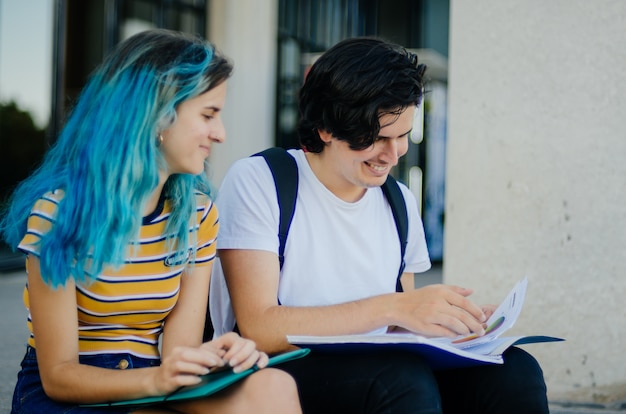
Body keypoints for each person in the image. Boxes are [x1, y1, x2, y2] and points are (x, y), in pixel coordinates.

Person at [209, 37, 549, 413]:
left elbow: (396, 331)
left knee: (514, 369)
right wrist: (395, 307)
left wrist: (448, 326)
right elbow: (261, 328)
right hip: (281, 368)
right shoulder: (262, 180)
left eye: (403, 136)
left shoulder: (398, 200)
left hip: (385, 370)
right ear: (326, 127)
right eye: (375, 138)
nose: (392, 154)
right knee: (400, 381)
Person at [0, 29, 301, 414]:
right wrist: (156, 379)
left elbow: (180, 349)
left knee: (271, 387)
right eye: (208, 114)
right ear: (157, 115)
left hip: (155, 383)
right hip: (72, 392)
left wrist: (214, 357)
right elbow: (59, 375)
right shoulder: (58, 215)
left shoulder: (197, 214)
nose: (221, 134)